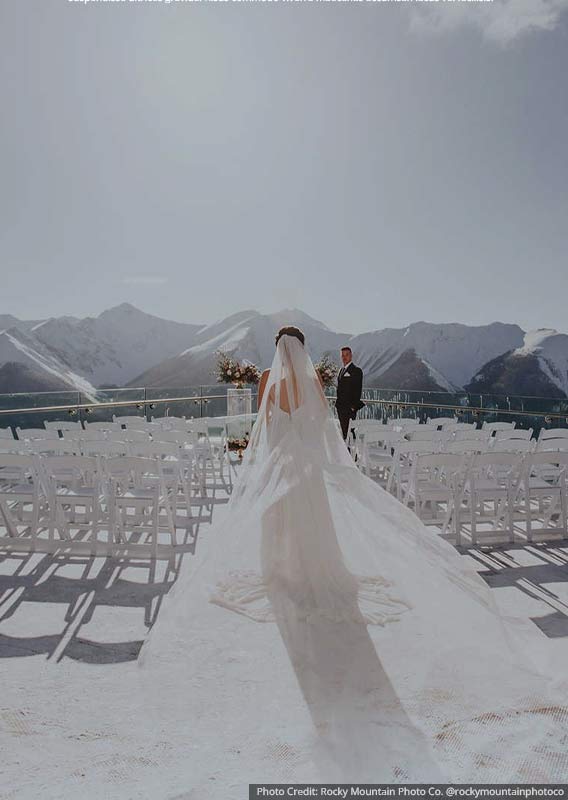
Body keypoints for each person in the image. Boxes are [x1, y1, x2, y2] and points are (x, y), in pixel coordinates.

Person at [137, 327, 567, 792]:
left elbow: (262, 429)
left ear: (277, 348)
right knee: (314, 527)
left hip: (278, 467)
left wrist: (258, 467)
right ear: (301, 349)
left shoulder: (266, 379)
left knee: (278, 524)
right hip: (308, 471)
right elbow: (325, 430)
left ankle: (280, 571)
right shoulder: (312, 385)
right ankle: (312, 570)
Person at [335, 346, 364, 442]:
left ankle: (353, 453)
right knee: (344, 432)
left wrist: (353, 407)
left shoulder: (357, 371)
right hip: (340, 407)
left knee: (350, 432)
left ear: (351, 356)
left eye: (346, 355)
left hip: (349, 408)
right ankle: (347, 452)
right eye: (342, 355)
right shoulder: (341, 370)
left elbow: (358, 390)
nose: (344, 357)